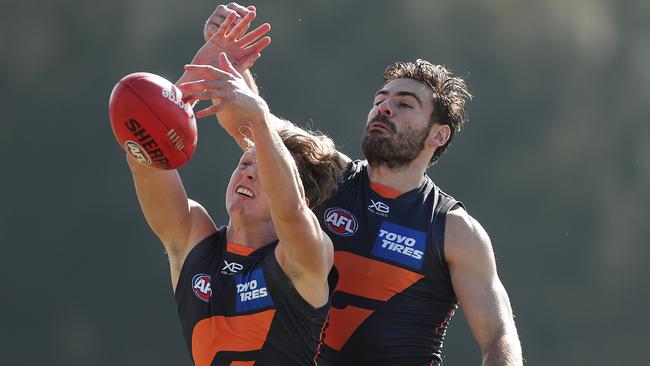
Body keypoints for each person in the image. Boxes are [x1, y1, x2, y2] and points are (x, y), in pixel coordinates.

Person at [191, 4, 523, 365]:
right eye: (379, 100)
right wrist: (228, 58)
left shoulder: (453, 229)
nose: (384, 108)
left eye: (404, 104)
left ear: (438, 134)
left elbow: (498, 337)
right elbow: (254, 123)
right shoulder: (328, 172)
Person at [124, 12, 345, 365]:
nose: (247, 175)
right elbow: (146, 155)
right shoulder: (194, 238)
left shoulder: (304, 258)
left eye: (263, 172)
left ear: (300, 194)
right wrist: (190, 87)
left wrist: (259, 118)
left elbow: (291, 211)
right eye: (244, 164)